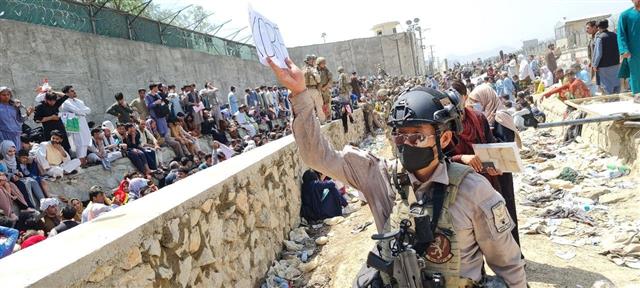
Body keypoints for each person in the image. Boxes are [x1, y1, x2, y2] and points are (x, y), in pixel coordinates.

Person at [266, 57, 525, 287]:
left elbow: (508, 265)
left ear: (444, 139)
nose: (406, 144)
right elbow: (316, 156)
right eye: (400, 136)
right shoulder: (380, 176)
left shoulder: (474, 190)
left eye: (417, 137)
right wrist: (300, 93)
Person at [1, 140, 45, 209]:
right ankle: (31, 206)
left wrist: (18, 173)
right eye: (9, 151)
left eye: (14, 151)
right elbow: (4, 172)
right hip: (7, 180)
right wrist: (12, 175)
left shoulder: (14, 159)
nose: (12, 153)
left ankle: (43, 202)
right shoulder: (2, 161)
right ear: (4, 150)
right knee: (24, 184)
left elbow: (16, 169)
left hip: (16, 178)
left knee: (33, 181)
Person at [60, 85, 91, 166]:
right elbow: (77, 111)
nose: (74, 92)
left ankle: (84, 162)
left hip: (83, 123)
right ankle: (80, 164)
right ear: (67, 93)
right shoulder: (66, 102)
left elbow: (88, 110)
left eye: (74, 90)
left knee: (85, 143)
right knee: (78, 144)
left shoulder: (79, 101)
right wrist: (82, 111)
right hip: (73, 124)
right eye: (72, 91)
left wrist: (81, 111)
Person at [592, 19, 621, 95]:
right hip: (616, 64)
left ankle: (611, 102)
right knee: (616, 84)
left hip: (604, 67)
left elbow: (598, 54)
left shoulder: (600, 38)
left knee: (607, 87)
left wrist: (595, 65)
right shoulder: (615, 35)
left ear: (598, 27)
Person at [618, 0, 640, 95]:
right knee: (635, 74)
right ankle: (637, 95)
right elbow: (621, 34)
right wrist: (624, 50)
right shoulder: (625, 15)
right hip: (634, 52)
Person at [303, 55, 325, 123]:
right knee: (319, 106)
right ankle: (322, 120)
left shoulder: (303, 70)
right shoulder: (313, 69)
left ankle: (313, 122)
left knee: (310, 108)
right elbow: (318, 79)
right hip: (314, 89)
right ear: (311, 61)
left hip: (306, 91)